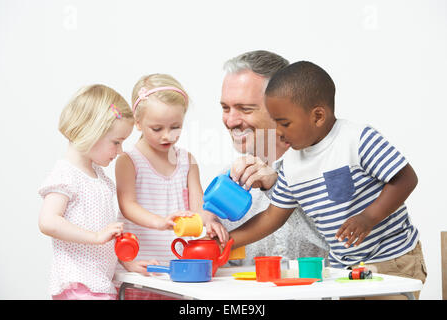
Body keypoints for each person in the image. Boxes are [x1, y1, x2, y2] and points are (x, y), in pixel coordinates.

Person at [229, 61, 427, 299]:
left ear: (318, 116)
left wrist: (368, 217)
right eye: (275, 122)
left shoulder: (357, 139)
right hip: (345, 268)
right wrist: (227, 241)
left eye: (284, 123)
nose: (278, 132)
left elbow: (406, 178)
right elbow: (272, 217)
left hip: (391, 258)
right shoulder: (291, 165)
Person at [115, 73, 229, 299]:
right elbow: (127, 205)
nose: (167, 136)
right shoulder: (128, 160)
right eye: (157, 129)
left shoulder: (187, 160)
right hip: (141, 270)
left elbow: (199, 206)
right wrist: (160, 222)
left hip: (180, 271)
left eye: (175, 127)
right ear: (137, 123)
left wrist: (211, 222)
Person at [220, 50, 329, 266]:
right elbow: (225, 264)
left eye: (245, 109)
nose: (231, 121)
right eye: (225, 108)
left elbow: (349, 247)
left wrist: (276, 189)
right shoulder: (229, 181)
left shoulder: (330, 165)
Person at [38, 84, 134, 300]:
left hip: (98, 284)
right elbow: (48, 221)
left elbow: (105, 238)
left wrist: (129, 263)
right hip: (79, 285)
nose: (120, 151)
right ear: (92, 133)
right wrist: (96, 236)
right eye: (116, 142)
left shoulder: (100, 177)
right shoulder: (66, 174)